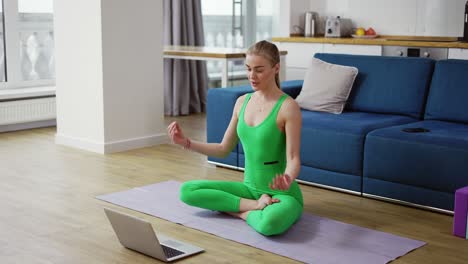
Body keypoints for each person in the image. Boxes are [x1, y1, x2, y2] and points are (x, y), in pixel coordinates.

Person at [167, 40, 303, 236]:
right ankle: (255, 205)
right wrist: (186, 143)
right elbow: (223, 149)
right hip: (249, 190)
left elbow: (293, 159)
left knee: (270, 224)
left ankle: (240, 212)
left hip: (282, 194)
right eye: (248, 69)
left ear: (276, 68)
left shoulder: (287, 107)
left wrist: (287, 178)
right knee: (187, 190)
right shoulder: (242, 102)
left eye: (259, 70)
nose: (251, 76)